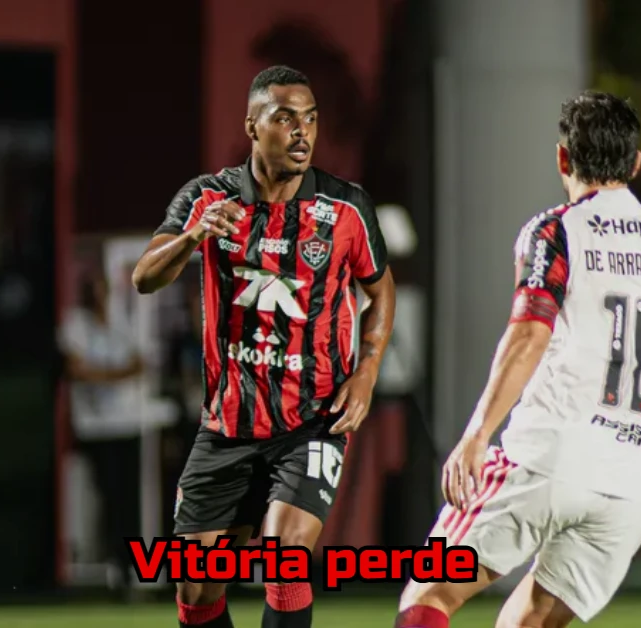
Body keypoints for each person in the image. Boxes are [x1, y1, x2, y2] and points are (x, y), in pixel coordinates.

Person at [394, 91, 641, 628]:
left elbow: (528, 335)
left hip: (551, 456)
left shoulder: (558, 231)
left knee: (429, 595)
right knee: (529, 621)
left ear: (563, 158)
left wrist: (477, 433)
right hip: (634, 482)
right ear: (635, 164)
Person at [132, 64, 397, 628]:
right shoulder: (207, 197)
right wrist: (195, 234)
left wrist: (368, 369)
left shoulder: (346, 208)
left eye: (311, 119)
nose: (302, 131)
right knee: (196, 588)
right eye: (285, 118)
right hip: (228, 423)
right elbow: (144, 277)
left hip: (312, 418)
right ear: (252, 126)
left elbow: (380, 291)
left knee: (284, 559)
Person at [58, 267, 146, 583]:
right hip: (96, 427)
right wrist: (115, 375)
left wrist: (102, 375)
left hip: (127, 422)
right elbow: (77, 369)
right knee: (106, 497)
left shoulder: (122, 322)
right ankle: (112, 564)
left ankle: (131, 567)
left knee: (130, 499)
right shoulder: (75, 324)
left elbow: (139, 364)